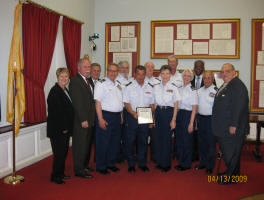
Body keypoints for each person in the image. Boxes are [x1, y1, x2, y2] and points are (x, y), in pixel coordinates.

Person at [212, 63, 249, 185]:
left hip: (232, 128)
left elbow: (239, 107)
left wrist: (234, 125)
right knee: (231, 153)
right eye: (223, 71)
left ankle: (231, 177)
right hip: (224, 126)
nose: (225, 74)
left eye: (227, 71)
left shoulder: (237, 85)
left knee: (231, 154)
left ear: (234, 72)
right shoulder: (227, 84)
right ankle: (234, 174)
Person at [123, 65, 155, 173]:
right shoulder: (128, 86)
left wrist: (150, 118)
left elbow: (152, 104)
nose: (141, 77)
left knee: (143, 141)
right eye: (138, 74)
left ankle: (142, 163)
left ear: (145, 75)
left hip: (145, 116)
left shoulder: (150, 87)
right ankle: (131, 164)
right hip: (132, 116)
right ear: (135, 74)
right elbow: (126, 103)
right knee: (130, 141)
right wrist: (133, 113)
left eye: (143, 74)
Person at [94, 63, 123, 175]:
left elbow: (120, 102)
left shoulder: (118, 84)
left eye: (115, 71)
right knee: (103, 142)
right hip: (106, 116)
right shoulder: (101, 84)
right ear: (107, 71)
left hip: (116, 117)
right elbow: (98, 102)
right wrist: (100, 119)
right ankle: (101, 166)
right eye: (111, 71)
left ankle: (111, 163)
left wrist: (121, 116)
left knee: (114, 142)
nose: (113, 73)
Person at [69, 58, 95, 179]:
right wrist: (83, 119)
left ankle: (84, 165)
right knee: (80, 145)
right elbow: (78, 103)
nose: (88, 69)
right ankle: (79, 169)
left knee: (87, 144)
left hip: (90, 120)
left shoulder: (88, 80)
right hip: (82, 121)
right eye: (85, 67)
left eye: (89, 67)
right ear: (78, 68)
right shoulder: (75, 81)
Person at [47, 68, 74, 184]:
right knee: (59, 154)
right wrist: (63, 128)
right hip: (58, 130)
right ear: (57, 77)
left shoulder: (64, 90)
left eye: (66, 76)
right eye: (62, 76)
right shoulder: (54, 92)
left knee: (63, 152)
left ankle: (61, 173)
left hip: (65, 129)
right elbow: (56, 114)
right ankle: (55, 176)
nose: (64, 79)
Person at [153, 65, 181, 172]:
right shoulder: (156, 87)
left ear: (170, 75)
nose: (165, 76)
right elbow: (155, 104)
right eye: (163, 73)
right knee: (158, 139)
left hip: (168, 113)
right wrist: (154, 118)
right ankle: (160, 162)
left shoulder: (173, 87)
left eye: (167, 73)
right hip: (158, 112)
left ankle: (166, 164)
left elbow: (176, 104)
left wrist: (173, 119)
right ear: (160, 74)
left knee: (166, 139)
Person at [175, 69, 198, 171]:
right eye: (185, 75)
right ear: (182, 77)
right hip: (179, 114)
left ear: (191, 78)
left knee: (187, 141)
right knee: (179, 139)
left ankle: (186, 164)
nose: (186, 78)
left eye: (189, 76)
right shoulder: (179, 88)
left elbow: (194, 109)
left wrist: (191, 123)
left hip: (188, 115)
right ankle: (181, 161)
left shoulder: (193, 90)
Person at [195, 71, 217, 174]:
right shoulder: (199, 91)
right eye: (205, 78)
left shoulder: (216, 91)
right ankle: (202, 162)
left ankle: (210, 165)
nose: (207, 80)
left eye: (209, 78)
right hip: (200, 119)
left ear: (212, 79)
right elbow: (196, 107)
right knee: (202, 142)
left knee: (210, 143)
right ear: (202, 79)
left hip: (211, 120)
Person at [116, 61, 134, 163]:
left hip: (131, 110)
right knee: (120, 134)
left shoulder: (132, 79)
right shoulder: (116, 80)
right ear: (119, 69)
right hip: (121, 110)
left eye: (127, 68)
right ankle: (119, 156)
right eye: (122, 68)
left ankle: (128, 154)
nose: (125, 70)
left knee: (129, 134)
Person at [144, 61, 160, 162]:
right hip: (144, 112)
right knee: (143, 136)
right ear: (145, 68)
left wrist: (153, 117)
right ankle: (142, 157)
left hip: (156, 112)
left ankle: (154, 157)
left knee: (154, 136)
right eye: (148, 67)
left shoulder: (158, 81)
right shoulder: (140, 80)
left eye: (152, 67)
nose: (150, 69)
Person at [87, 62, 101, 167]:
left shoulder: (102, 83)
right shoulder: (87, 83)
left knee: (99, 139)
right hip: (90, 116)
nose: (96, 72)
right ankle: (85, 163)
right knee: (88, 140)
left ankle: (97, 159)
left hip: (100, 115)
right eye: (94, 70)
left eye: (98, 71)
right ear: (91, 71)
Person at [191, 60, 205, 161]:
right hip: (191, 111)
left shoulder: (208, 79)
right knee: (192, 134)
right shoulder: (190, 78)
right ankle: (194, 154)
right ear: (194, 68)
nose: (198, 69)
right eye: (196, 67)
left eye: (200, 67)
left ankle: (201, 154)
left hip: (202, 111)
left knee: (202, 134)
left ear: (203, 68)